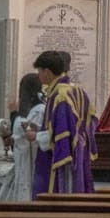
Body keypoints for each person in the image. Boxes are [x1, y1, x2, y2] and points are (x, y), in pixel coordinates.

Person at [26, 51, 98, 198]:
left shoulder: (60, 95)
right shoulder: (77, 90)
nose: (38, 75)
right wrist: (40, 129)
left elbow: (63, 135)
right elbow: (89, 123)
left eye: (39, 71)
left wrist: (36, 136)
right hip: (79, 153)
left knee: (59, 200)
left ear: (47, 71)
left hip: (63, 161)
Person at [0, 74, 45, 201]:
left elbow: (23, 132)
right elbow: (20, 137)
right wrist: (10, 139)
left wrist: (13, 113)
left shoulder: (40, 109)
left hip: (32, 163)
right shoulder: (34, 109)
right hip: (24, 161)